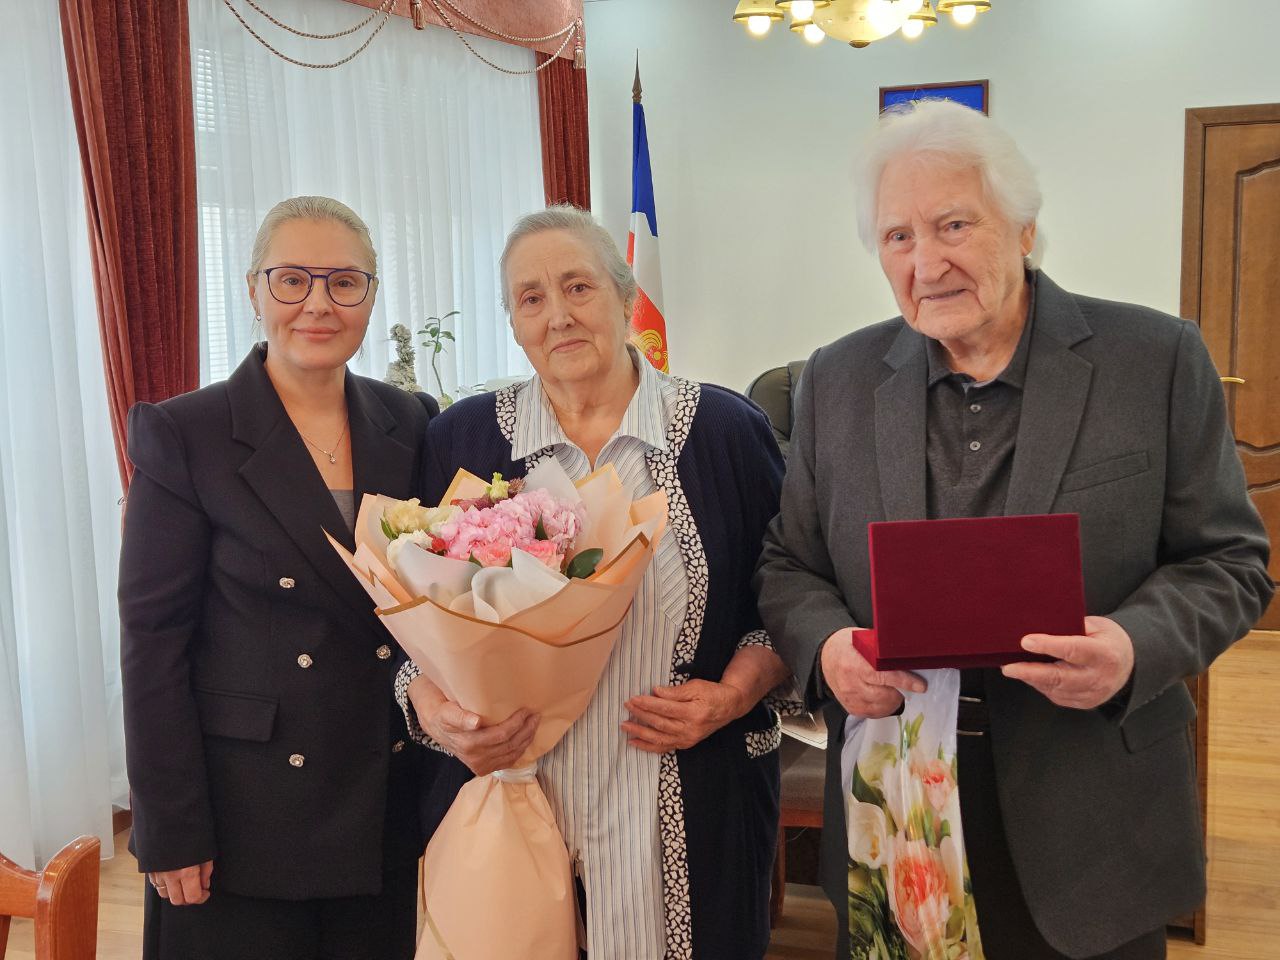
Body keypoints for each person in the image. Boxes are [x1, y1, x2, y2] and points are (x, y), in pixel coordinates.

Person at [754, 99, 1273, 960]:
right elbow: (789, 564)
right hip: (896, 808)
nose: (927, 263)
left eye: (954, 225)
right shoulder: (836, 380)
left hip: (1091, 810)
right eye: (898, 236)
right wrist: (828, 649)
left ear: (1025, 228)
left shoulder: (1154, 360)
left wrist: (1134, 646)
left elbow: (1231, 561)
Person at [395, 205, 792, 959]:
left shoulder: (726, 433)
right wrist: (435, 711)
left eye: (578, 287)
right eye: (531, 298)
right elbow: (411, 614)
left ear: (625, 296)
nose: (558, 316)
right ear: (513, 322)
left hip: (686, 800)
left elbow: (789, 597)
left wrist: (736, 693)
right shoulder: (462, 438)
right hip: (510, 802)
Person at [119, 196, 440, 960]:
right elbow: (152, 644)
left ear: (371, 295)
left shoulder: (410, 420)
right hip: (244, 814)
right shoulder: (186, 432)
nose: (318, 304)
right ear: (253, 290)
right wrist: (170, 828)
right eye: (292, 279)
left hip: (381, 796)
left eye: (344, 282)